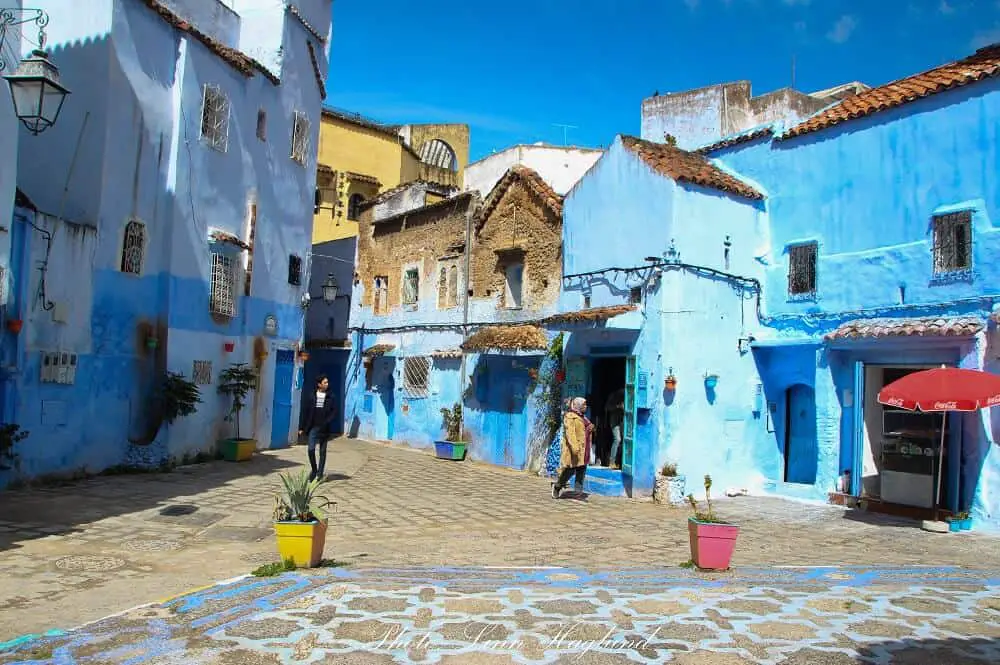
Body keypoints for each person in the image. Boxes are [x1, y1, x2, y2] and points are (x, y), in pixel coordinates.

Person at [551, 397, 595, 498]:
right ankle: (557, 486)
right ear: (578, 406)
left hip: (584, 447)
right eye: (584, 405)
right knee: (570, 470)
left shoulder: (583, 417)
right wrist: (575, 448)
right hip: (574, 448)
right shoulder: (570, 417)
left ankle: (578, 492)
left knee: (582, 469)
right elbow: (570, 433)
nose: (586, 406)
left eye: (585, 404)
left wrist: (590, 427)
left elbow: (585, 429)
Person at [298, 374, 337, 482]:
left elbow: (334, 412)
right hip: (313, 427)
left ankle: (319, 474)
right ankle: (314, 469)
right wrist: (302, 427)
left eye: (327, 382)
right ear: (319, 384)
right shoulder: (312, 395)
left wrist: (327, 421)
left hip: (324, 427)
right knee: (311, 449)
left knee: (322, 451)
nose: (327, 384)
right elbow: (305, 412)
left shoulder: (331, 396)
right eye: (325, 382)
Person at [605, 387, 625, 469]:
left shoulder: (627, 396)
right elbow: (607, 407)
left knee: (624, 441)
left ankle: (620, 462)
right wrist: (618, 406)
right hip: (615, 421)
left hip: (623, 420)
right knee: (617, 439)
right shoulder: (613, 396)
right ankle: (612, 462)